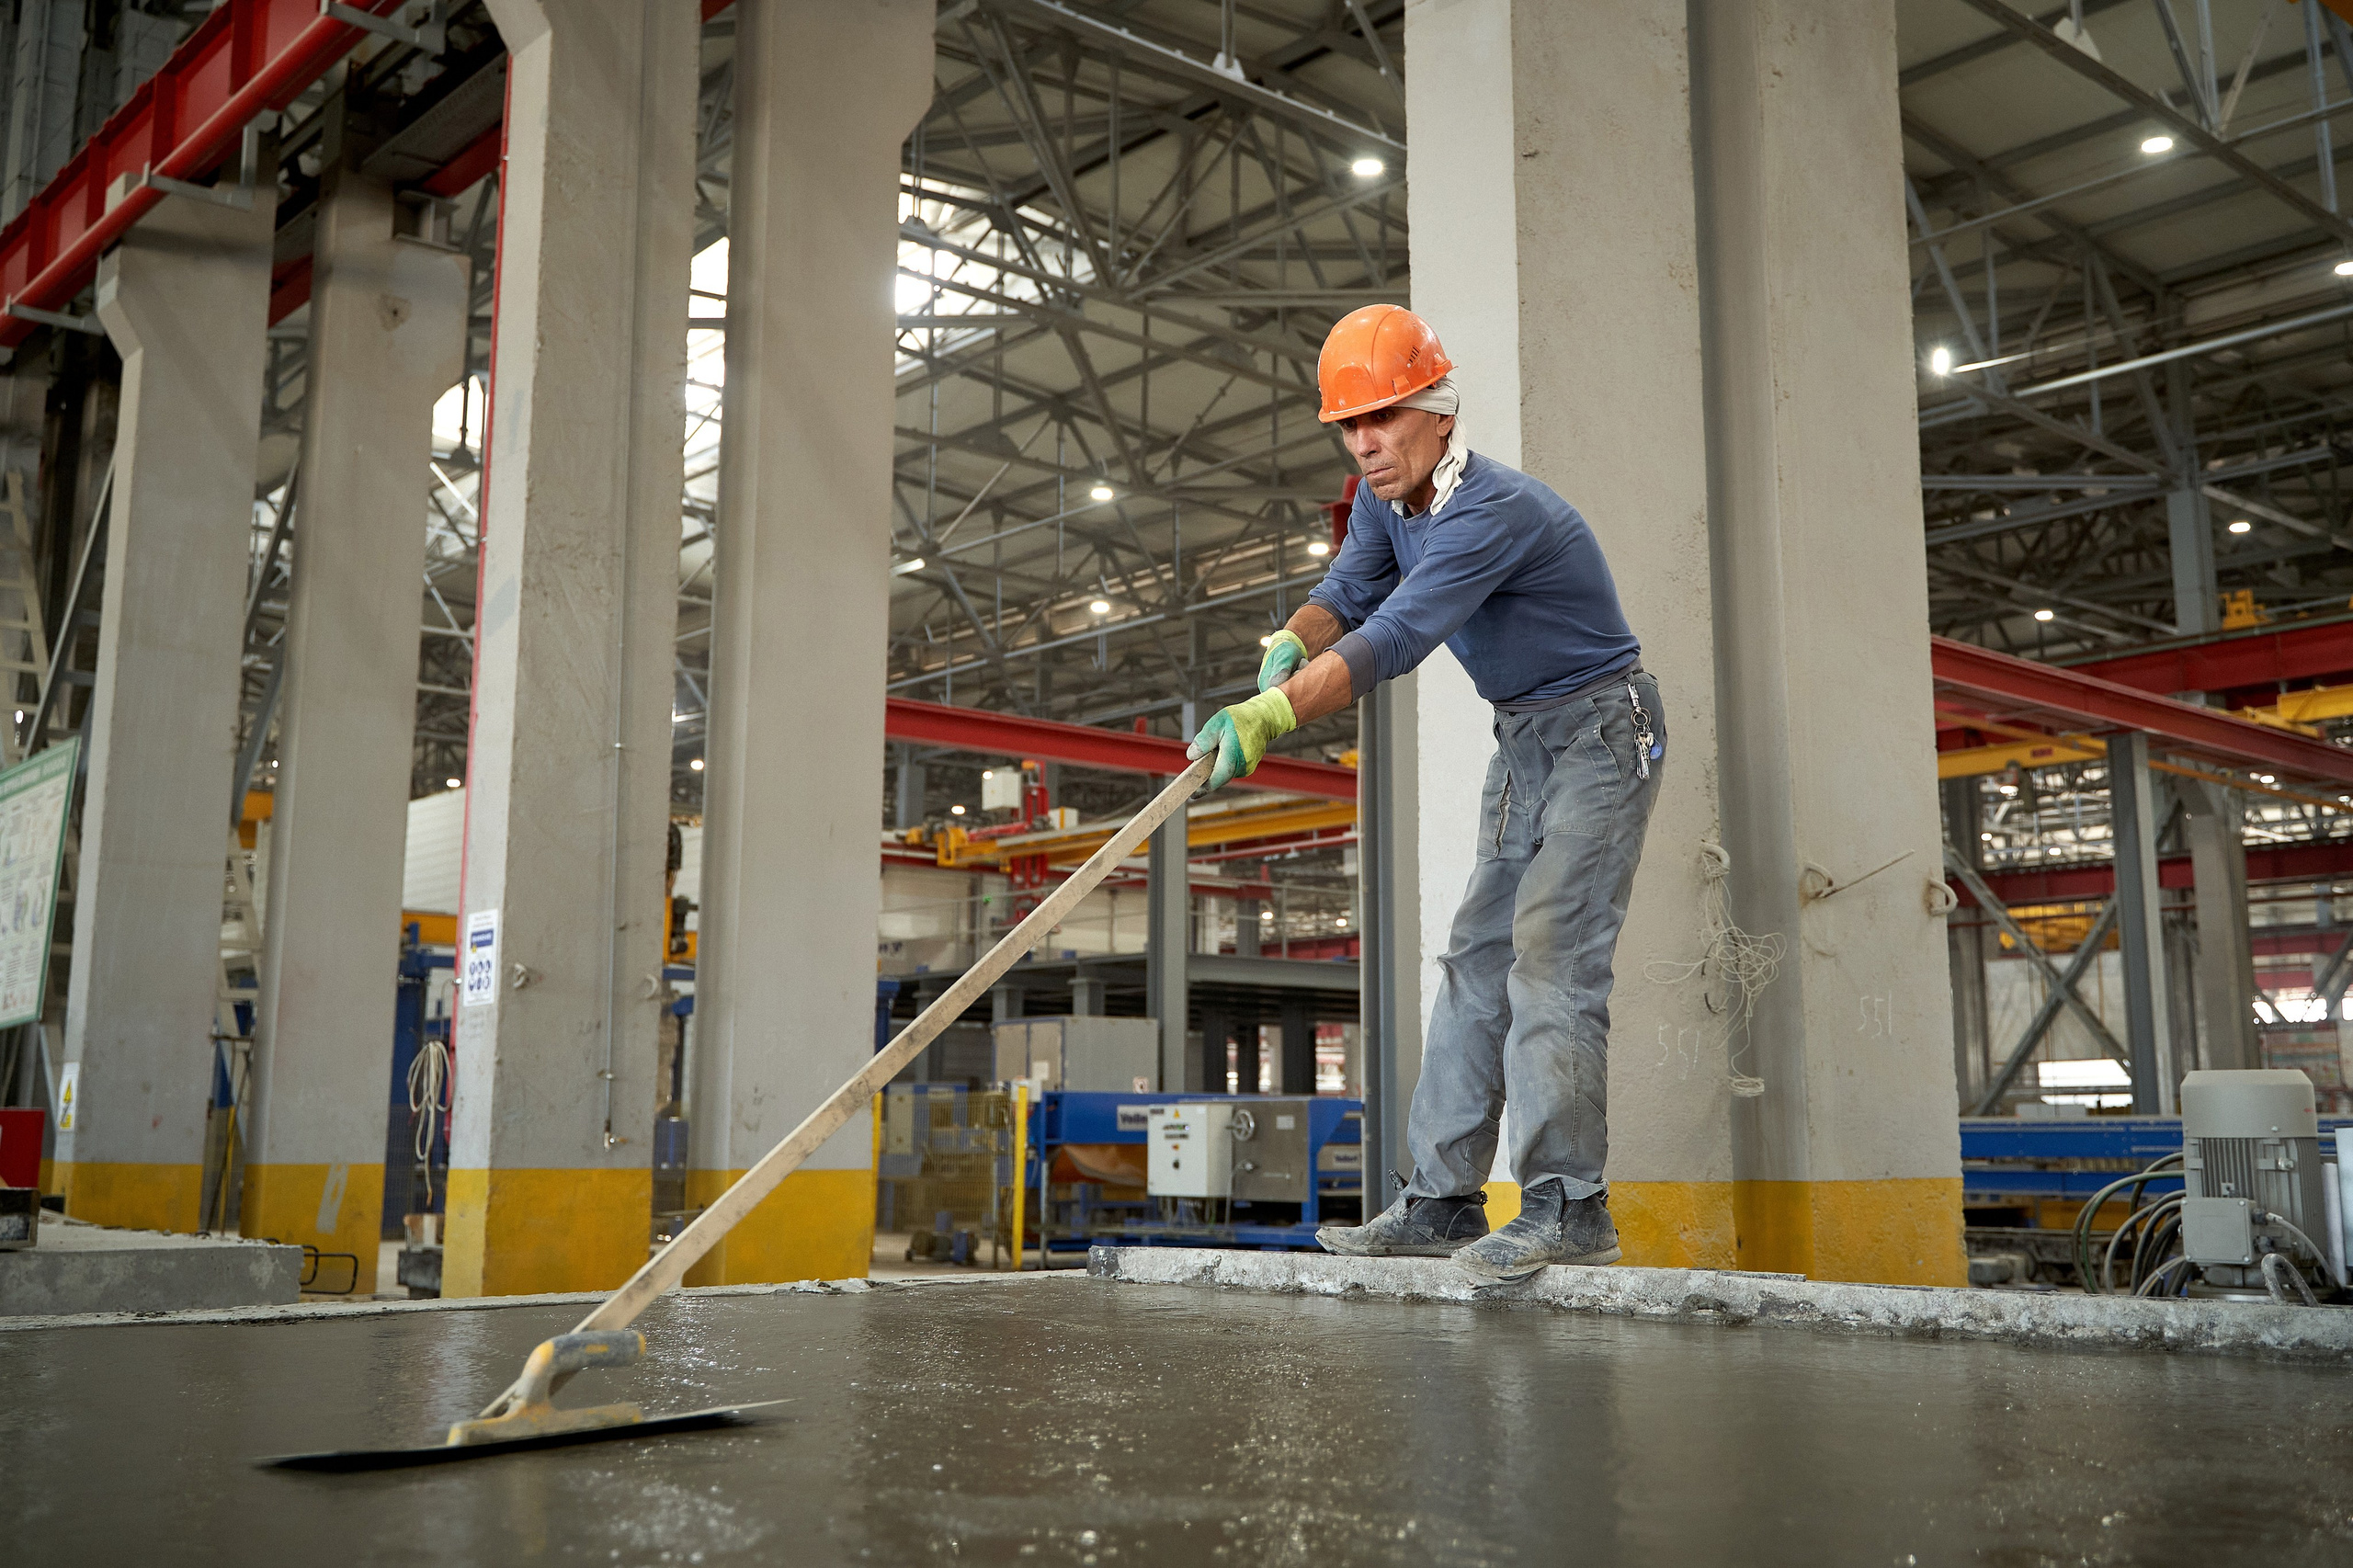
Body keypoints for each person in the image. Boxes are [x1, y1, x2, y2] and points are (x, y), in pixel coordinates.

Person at [1186, 304, 1664, 1285]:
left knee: (1549, 958)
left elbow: (1396, 633)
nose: (1365, 441)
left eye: (1386, 417)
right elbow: (1348, 591)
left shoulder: (1490, 512)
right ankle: (1443, 1199)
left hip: (1601, 731)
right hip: (1522, 733)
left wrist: (1271, 713)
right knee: (1473, 958)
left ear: (1438, 411)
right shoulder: (1382, 499)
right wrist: (1289, 641)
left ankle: (1569, 1206)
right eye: (1350, 424)